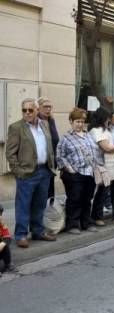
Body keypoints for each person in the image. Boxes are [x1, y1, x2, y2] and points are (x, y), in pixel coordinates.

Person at [5, 98, 57, 248]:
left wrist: (51, 166)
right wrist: (18, 172)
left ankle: (37, 231)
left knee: (40, 204)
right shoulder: (16, 127)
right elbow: (10, 153)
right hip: (27, 173)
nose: (27, 113)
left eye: (30, 110)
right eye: (24, 110)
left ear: (36, 110)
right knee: (23, 205)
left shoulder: (44, 124)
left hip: (44, 171)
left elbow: (49, 146)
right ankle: (20, 234)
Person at [56, 108, 102, 234]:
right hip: (75, 174)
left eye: (82, 121)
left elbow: (95, 152)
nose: (80, 124)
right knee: (74, 199)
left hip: (90, 173)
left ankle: (87, 223)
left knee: (87, 199)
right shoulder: (66, 138)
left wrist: (97, 167)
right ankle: (73, 225)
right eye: (77, 121)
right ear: (71, 121)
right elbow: (60, 156)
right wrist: (69, 169)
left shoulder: (88, 135)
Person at [89, 107, 114, 227]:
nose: (109, 120)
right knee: (103, 193)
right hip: (104, 166)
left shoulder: (107, 130)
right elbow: (107, 147)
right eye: (108, 118)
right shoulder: (96, 130)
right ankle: (97, 216)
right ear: (102, 118)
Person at [37, 97, 60, 201]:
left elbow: (55, 140)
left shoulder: (51, 120)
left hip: (51, 161)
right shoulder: (36, 121)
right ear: (38, 108)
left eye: (50, 107)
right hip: (40, 162)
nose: (48, 109)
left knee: (50, 188)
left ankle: (50, 207)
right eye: (45, 107)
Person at [0, 203, 14, 275]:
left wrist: (2, 244)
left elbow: (8, 238)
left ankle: (8, 264)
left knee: (6, 247)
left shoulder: (2, 225)